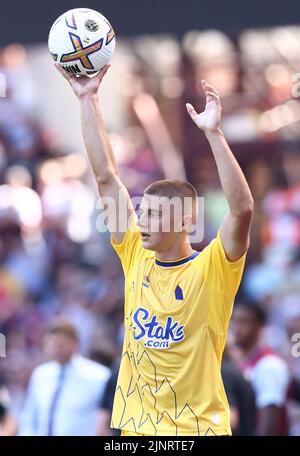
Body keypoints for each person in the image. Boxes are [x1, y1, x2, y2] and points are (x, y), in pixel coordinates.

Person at [56, 63, 253, 436]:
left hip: (195, 433)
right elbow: (105, 176)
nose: (142, 220)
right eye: (142, 211)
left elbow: (242, 209)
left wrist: (213, 135)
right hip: (134, 434)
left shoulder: (212, 268)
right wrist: (87, 97)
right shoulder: (134, 253)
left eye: (154, 214)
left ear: (184, 222)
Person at [19, 318, 110, 436]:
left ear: (75, 343)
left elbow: (106, 419)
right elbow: (29, 418)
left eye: (61, 343)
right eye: (51, 343)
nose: (56, 347)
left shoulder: (99, 376)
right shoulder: (40, 375)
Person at [231, 301, 290, 435]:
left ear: (260, 326)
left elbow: (269, 421)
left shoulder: (269, 364)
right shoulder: (243, 363)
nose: (236, 328)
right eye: (234, 321)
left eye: (244, 322)